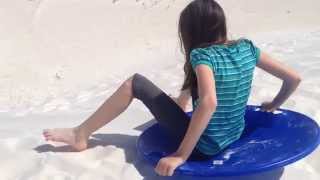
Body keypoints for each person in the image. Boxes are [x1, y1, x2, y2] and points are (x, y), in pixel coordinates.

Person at [42, 0, 301, 177]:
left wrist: (180, 155)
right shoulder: (247, 48)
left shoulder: (202, 56)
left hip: (205, 146)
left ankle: (81, 134)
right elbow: (294, 78)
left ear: (190, 32)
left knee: (135, 83)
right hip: (233, 135)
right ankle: (180, 107)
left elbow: (209, 102)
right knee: (190, 98)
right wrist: (274, 104)